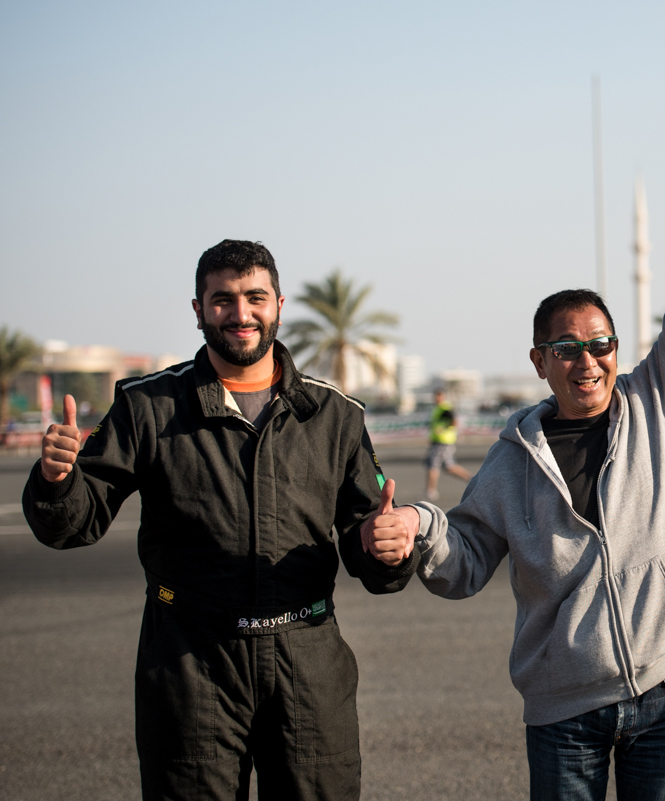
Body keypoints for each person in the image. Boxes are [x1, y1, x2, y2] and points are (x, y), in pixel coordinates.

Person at [364, 133, 665, 800]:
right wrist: (416, 529)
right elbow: (465, 559)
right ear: (539, 360)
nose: (587, 361)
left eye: (600, 344)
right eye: (566, 348)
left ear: (616, 348)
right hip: (562, 708)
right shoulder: (512, 462)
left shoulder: (657, 401)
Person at [23, 239, 418, 800]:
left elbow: (368, 541)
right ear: (198, 309)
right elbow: (74, 523)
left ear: (278, 304)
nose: (241, 315)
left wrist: (386, 549)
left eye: (255, 298)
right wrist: (57, 481)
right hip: (190, 664)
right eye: (223, 300)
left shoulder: (334, 415)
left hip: (305, 661)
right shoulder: (148, 406)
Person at [424, 388, 472, 500]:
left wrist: (443, 429)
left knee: (432, 465)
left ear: (443, 396)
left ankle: (430, 491)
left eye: (439, 396)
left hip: (443, 442)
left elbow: (454, 422)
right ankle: (472, 479)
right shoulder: (437, 409)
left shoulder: (444, 408)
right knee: (449, 466)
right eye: (436, 396)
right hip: (440, 442)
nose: (437, 398)